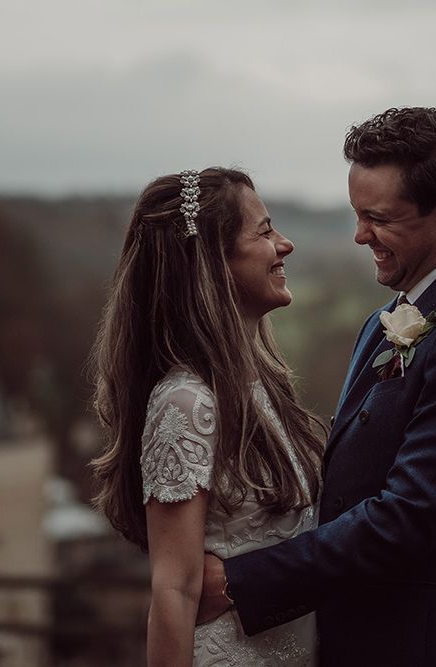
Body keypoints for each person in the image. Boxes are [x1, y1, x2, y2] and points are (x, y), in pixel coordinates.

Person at [198, 108, 436, 667]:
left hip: (426, 647)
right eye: (357, 215)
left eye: (378, 218)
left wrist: (243, 581)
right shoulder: (388, 317)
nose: (361, 236)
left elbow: (409, 517)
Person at [90, 167, 324, 666]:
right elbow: (173, 591)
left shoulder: (262, 387)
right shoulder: (187, 403)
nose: (285, 244)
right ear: (213, 263)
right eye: (263, 231)